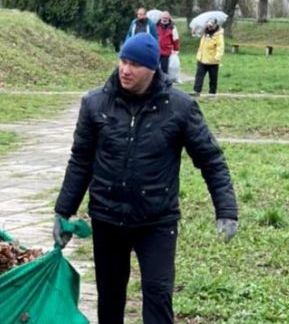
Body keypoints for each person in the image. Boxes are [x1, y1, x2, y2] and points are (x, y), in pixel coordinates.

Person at [52, 33, 238, 324]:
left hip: (156, 220)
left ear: (152, 69)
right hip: (108, 217)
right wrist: (63, 210)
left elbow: (211, 160)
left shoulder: (179, 107)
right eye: (123, 61)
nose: (125, 70)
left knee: (158, 293)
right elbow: (81, 161)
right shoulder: (95, 104)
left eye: (134, 65)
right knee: (110, 296)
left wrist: (226, 209)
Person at [193, 18, 224, 97]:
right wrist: (194, 31)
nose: (209, 27)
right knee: (199, 76)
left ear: (215, 26)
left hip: (212, 60)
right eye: (208, 25)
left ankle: (212, 93)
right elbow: (197, 35)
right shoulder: (205, 31)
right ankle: (196, 91)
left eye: (211, 26)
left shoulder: (218, 35)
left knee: (213, 78)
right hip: (202, 58)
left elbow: (220, 47)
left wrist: (217, 57)